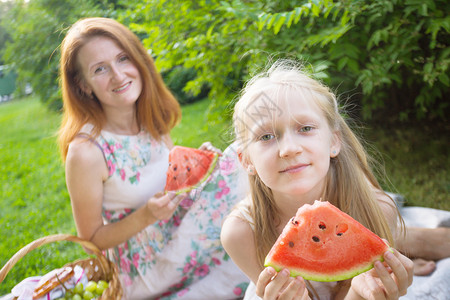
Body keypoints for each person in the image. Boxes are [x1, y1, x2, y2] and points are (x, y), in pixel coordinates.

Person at [58, 17, 248, 299]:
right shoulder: (86, 152)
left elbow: (168, 184)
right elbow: (90, 241)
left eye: (123, 59)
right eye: (100, 69)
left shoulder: (149, 119)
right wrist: (146, 216)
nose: (118, 75)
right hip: (143, 269)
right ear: (83, 85)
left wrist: (201, 164)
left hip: (180, 233)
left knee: (241, 162)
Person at [220, 60, 415, 300]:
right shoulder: (240, 232)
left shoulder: (377, 209)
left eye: (305, 128)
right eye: (267, 136)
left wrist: (361, 293)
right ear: (246, 160)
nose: (289, 149)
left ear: (334, 141)